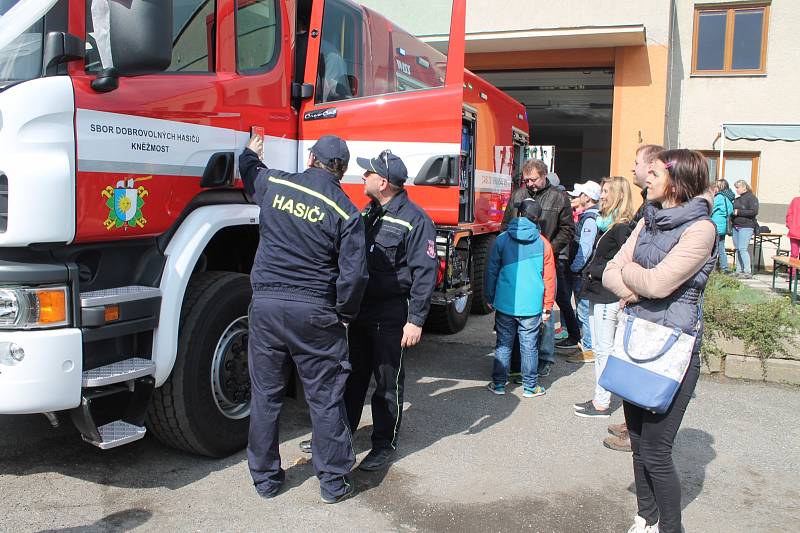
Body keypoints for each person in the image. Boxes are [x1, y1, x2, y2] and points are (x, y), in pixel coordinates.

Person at [240, 133, 368, 504]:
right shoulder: (346, 211)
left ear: (311, 158)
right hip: (314, 313)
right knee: (325, 398)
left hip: (265, 306)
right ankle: (333, 484)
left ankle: (265, 480)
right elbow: (354, 275)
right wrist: (345, 314)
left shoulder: (276, 183)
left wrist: (250, 151)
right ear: (341, 171)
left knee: (265, 396)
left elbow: (250, 171)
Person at [603, 149, 717, 533]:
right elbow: (608, 272)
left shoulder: (701, 229)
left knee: (656, 450)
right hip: (638, 338)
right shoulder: (647, 221)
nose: (645, 178)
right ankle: (645, 518)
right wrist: (638, 286)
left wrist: (632, 279)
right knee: (637, 443)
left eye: (652, 172)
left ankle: (670, 528)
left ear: (676, 180)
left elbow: (659, 282)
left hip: (674, 348)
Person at [339, 150, 438, 471]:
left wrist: (416, 320)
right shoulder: (368, 213)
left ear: (382, 182)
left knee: (386, 382)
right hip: (361, 310)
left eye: (368, 173)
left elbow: (425, 272)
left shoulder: (415, 219)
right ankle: (340, 436)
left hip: (391, 313)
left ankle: (383, 443)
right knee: (352, 378)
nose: (362, 177)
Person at [603, 143, 663, 452]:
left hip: (651, 306)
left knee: (645, 368)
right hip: (636, 296)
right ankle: (632, 426)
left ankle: (637, 434)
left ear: (652, 167)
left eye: (636, 162)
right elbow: (618, 264)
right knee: (633, 364)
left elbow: (651, 269)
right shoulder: (648, 203)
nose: (633, 168)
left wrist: (630, 284)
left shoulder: (658, 207)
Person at [501, 159, 574, 377]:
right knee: (518, 309)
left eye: (533, 179)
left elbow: (568, 230)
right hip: (519, 261)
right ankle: (518, 359)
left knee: (546, 311)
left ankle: (544, 357)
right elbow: (506, 225)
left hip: (547, 261)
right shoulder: (518, 195)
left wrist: (547, 250)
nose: (530, 184)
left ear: (544, 175)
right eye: (527, 180)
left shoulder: (559, 198)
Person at [573, 176, 634, 418]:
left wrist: (594, 270)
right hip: (597, 292)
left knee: (604, 351)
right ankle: (600, 396)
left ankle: (602, 402)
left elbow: (623, 262)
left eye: (607, 191)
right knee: (600, 349)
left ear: (618, 195)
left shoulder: (621, 228)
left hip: (608, 295)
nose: (603, 195)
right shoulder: (608, 224)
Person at [485, 199, 555, 397]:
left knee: (503, 344)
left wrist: (489, 296)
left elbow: (492, 271)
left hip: (506, 303)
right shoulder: (544, 244)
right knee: (529, 346)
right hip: (532, 306)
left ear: (519, 215)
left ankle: (499, 384)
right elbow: (549, 278)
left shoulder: (502, 239)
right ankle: (530, 387)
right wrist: (547, 306)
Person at [564, 181, 602, 363]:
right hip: (585, 272)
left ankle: (589, 349)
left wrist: (574, 268)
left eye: (578, 195)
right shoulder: (591, 217)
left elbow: (585, 249)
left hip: (583, 273)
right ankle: (587, 345)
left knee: (585, 311)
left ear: (586, 197)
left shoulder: (590, 220)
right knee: (584, 310)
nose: (574, 198)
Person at [731, 180, 759, 278]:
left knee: (742, 248)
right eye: (736, 187)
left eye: (738, 187)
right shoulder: (737, 199)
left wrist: (738, 212)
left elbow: (754, 211)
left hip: (746, 226)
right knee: (738, 249)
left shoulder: (752, 198)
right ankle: (739, 271)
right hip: (736, 226)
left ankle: (747, 271)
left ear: (744, 187)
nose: (736, 189)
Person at [711, 179, 735, 273]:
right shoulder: (728, 198)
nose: (714, 188)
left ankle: (711, 269)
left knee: (714, 249)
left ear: (719, 187)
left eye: (716, 186)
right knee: (721, 247)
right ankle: (724, 268)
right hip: (723, 226)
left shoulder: (719, 197)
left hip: (716, 225)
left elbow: (710, 208)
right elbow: (730, 211)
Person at [786, 193, 800, 274]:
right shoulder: (795, 200)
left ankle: (795, 273)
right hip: (794, 232)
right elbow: (789, 214)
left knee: (794, 255)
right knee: (794, 254)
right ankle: (792, 274)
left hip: (794, 231)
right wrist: (790, 225)